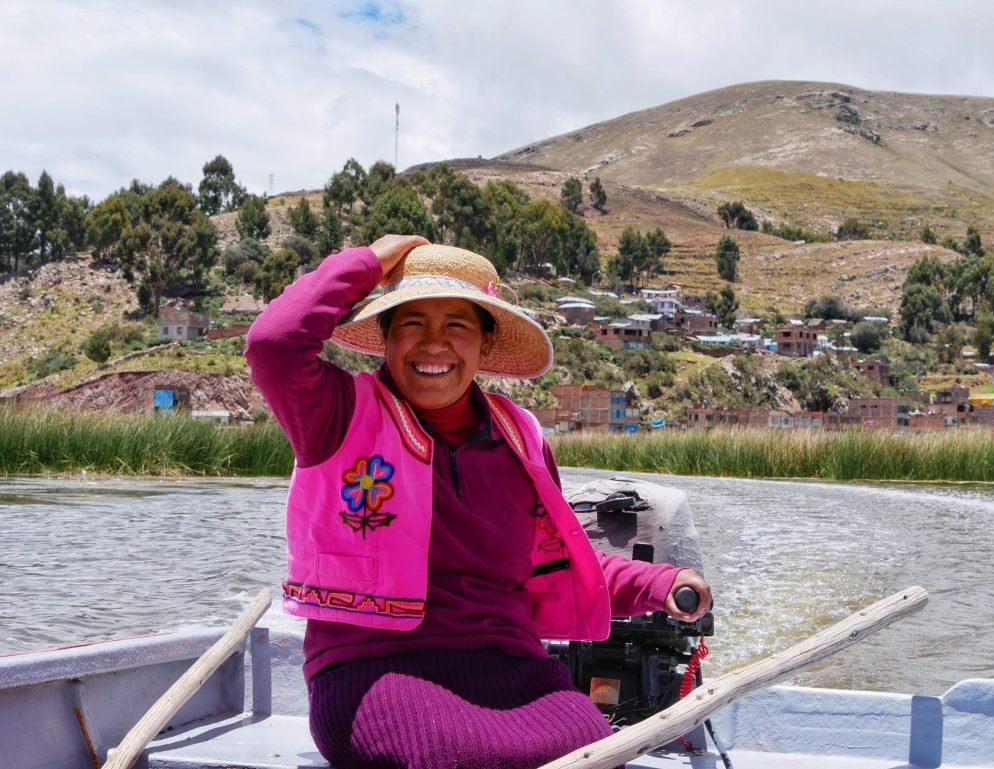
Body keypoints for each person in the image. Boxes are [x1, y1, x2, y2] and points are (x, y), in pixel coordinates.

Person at [246, 234, 712, 769]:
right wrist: (369, 261)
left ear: (486, 345)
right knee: (446, 756)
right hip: (372, 667)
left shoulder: (521, 438)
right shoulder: (338, 414)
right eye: (413, 323)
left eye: (457, 326)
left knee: (596, 749)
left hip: (507, 665)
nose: (433, 344)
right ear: (387, 337)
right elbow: (273, 343)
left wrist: (658, 583)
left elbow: (551, 562)